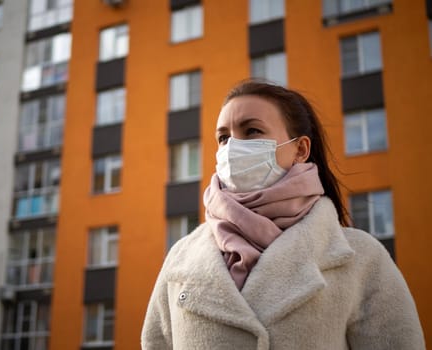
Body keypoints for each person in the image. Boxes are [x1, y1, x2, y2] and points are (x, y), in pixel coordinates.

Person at [141, 80, 425, 349]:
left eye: (252, 131)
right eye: (223, 137)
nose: (232, 148)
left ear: (300, 149)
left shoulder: (362, 258)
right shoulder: (181, 259)